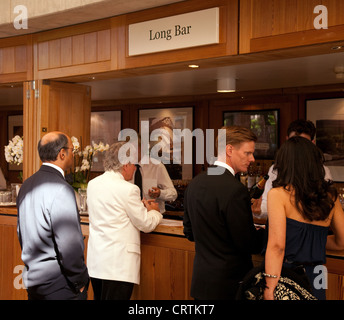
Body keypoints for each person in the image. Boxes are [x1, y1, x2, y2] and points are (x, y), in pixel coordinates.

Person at [183, 126, 265, 300]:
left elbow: (189, 233)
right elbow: (248, 244)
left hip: (202, 283)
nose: (252, 158)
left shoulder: (195, 183)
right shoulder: (235, 190)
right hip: (229, 286)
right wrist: (266, 231)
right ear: (229, 150)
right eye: (247, 153)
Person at [263, 136, 344, 300]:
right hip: (318, 275)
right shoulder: (331, 196)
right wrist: (314, 240)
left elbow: (277, 246)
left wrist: (269, 288)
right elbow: (341, 241)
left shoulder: (278, 194)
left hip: (288, 273)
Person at [16, 131, 89, 300]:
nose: (74, 154)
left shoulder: (26, 184)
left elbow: (22, 233)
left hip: (34, 282)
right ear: (62, 153)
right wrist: (80, 282)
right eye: (72, 150)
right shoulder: (61, 189)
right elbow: (69, 245)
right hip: (60, 285)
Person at [87, 141, 163, 300]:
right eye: (134, 164)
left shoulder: (93, 184)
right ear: (126, 164)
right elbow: (146, 224)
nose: (135, 168)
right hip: (118, 266)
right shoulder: (129, 189)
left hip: (97, 263)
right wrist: (155, 212)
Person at [261, 119, 332, 215]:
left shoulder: (322, 171)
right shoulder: (276, 169)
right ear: (287, 142)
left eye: (304, 143)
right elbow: (266, 204)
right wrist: (258, 211)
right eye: (294, 142)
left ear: (312, 143)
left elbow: (326, 207)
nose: (298, 148)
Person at [129, 135, 177, 213]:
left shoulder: (157, 166)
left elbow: (173, 194)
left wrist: (160, 193)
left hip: (154, 217)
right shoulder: (125, 168)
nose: (130, 152)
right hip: (131, 217)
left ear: (142, 147)